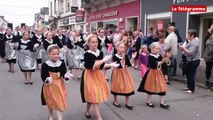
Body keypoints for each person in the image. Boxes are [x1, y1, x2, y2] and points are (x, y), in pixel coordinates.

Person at [80, 34, 118, 120]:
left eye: (96, 41)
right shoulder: (87, 54)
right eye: (93, 42)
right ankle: (98, 117)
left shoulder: (100, 53)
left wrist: (110, 64)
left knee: (93, 96)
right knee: (94, 95)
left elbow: (101, 66)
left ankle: (87, 111)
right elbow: (92, 66)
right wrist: (103, 60)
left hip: (98, 75)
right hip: (89, 76)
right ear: (88, 43)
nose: (95, 43)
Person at [41, 45, 73, 120]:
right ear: (49, 54)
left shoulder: (61, 63)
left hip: (59, 85)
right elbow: (43, 75)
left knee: (60, 101)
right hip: (50, 85)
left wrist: (66, 76)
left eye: (57, 54)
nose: (56, 56)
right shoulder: (45, 64)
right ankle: (51, 115)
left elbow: (63, 73)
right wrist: (47, 79)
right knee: (50, 101)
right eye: (54, 54)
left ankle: (60, 118)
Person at [138, 42, 171, 109]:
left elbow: (164, 64)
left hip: (159, 73)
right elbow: (152, 65)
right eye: (156, 49)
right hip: (152, 73)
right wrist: (162, 61)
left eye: (159, 49)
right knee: (150, 87)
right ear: (152, 49)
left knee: (161, 87)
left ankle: (162, 102)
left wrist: (167, 58)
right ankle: (149, 101)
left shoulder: (160, 55)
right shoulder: (150, 56)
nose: (158, 50)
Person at [111, 42, 135, 110]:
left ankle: (127, 102)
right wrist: (123, 58)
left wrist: (132, 58)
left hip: (125, 72)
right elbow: (118, 65)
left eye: (123, 48)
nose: (122, 49)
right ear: (117, 48)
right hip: (117, 72)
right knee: (116, 86)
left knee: (127, 86)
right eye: (121, 47)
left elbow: (128, 64)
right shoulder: (115, 56)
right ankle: (115, 101)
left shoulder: (125, 55)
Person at [179, 29, 200, 94]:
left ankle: (191, 89)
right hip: (189, 60)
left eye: (188, 34)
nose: (187, 35)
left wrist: (183, 48)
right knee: (188, 74)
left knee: (191, 75)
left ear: (192, 35)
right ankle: (189, 87)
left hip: (193, 61)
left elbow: (190, 53)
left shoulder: (194, 43)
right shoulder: (191, 40)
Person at [204, 24, 213, 88]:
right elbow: (205, 46)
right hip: (208, 56)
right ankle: (207, 80)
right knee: (208, 69)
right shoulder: (208, 36)